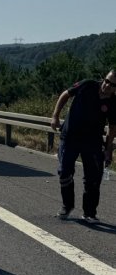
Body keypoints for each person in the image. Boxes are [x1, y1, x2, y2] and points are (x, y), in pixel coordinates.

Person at [50, 69, 116, 223]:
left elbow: (112, 128)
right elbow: (65, 95)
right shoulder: (87, 85)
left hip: (92, 141)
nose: (107, 85)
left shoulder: (113, 103)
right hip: (70, 137)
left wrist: (108, 150)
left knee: (93, 178)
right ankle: (67, 206)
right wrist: (55, 116)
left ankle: (89, 213)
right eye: (106, 80)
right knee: (65, 171)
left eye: (112, 84)